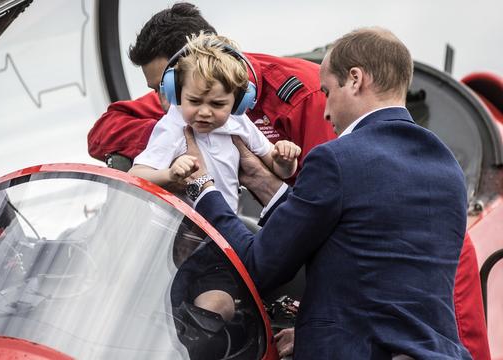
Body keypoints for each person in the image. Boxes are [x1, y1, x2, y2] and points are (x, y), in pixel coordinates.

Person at [187, 27, 472, 358]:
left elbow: (259, 264)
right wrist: (310, 332)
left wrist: (203, 189)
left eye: (326, 91)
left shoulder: (336, 158)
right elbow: (382, 275)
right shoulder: (447, 168)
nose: (325, 111)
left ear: (354, 79)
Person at [87, 2, 336, 184]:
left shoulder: (307, 94)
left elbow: (325, 192)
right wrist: (175, 138)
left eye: (166, 86)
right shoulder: (181, 104)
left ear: (201, 58)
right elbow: (102, 133)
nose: (165, 101)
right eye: (163, 90)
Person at [129, 32, 301, 212]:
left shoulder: (238, 121)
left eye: (217, 104)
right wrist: (169, 175)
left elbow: (281, 170)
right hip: (184, 231)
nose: (204, 112)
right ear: (177, 94)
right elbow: (135, 176)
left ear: (239, 103)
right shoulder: (173, 126)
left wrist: (286, 160)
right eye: (194, 101)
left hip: (224, 228)